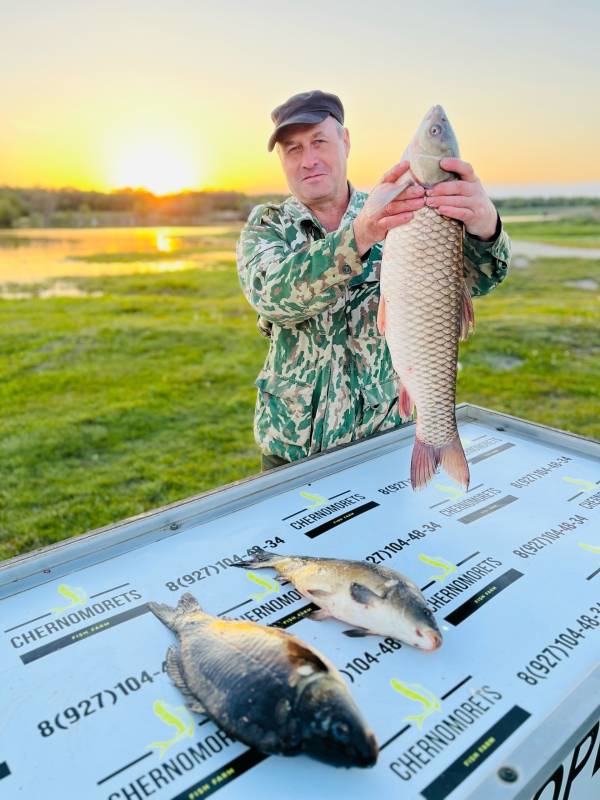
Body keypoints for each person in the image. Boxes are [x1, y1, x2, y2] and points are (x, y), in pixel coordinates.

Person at [236, 90, 511, 471]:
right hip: (291, 454)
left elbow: (475, 282)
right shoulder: (268, 225)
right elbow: (272, 295)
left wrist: (485, 228)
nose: (308, 160)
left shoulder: (396, 210)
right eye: (293, 149)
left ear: (345, 141)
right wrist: (359, 236)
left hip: (383, 442)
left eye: (319, 141)